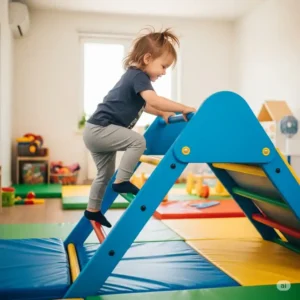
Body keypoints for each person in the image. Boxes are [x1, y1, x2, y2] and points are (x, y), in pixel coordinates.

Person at [83, 27, 196, 227]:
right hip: (102, 129)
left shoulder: (133, 77)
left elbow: (147, 105)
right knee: (137, 141)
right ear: (147, 58)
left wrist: (162, 113)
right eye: (163, 66)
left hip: (94, 131)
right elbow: (155, 100)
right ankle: (122, 182)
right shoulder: (138, 76)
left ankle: (93, 211)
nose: (164, 72)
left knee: (104, 174)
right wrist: (183, 108)